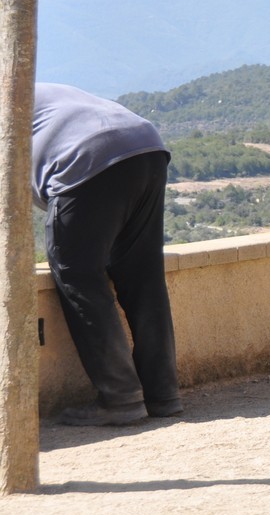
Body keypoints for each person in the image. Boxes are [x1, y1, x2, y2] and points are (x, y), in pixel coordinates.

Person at [32, 84, 181, 426]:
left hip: (86, 157)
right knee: (143, 277)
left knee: (77, 275)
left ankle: (121, 397)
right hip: (145, 145)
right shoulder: (34, 89)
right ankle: (162, 394)